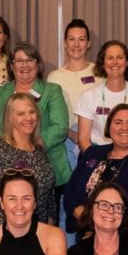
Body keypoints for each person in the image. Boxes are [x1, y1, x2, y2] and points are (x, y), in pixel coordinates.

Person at [63, 105, 128, 243]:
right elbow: (70, 190)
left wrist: (104, 225)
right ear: (109, 128)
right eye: (118, 122)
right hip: (87, 237)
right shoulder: (93, 153)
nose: (124, 127)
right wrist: (80, 213)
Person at [0, 41, 69, 190]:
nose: (24, 65)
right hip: (4, 167)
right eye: (19, 60)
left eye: (30, 60)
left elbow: (60, 127)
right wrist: (9, 148)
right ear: (11, 65)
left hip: (49, 166)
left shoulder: (52, 91)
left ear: (38, 64)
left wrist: (32, 145)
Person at [0, 94, 59, 227]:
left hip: (40, 231)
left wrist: (49, 227)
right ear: (10, 118)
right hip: (8, 234)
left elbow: (48, 196)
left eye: (32, 112)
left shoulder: (39, 150)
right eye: (21, 114)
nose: (28, 118)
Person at [75, 40, 128, 149]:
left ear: (127, 62)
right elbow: (83, 140)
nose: (115, 62)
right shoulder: (88, 97)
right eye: (110, 58)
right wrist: (99, 162)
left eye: (120, 57)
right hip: (98, 154)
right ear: (103, 63)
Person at [46, 18, 97, 172]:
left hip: (95, 139)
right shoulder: (54, 77)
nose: (76, 44)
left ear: (88, 43)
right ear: (64, 43)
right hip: (65, 142)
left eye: (81, 39)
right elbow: (49, 115)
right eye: (71, 39)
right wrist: (70, 134)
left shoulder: (100, 73)